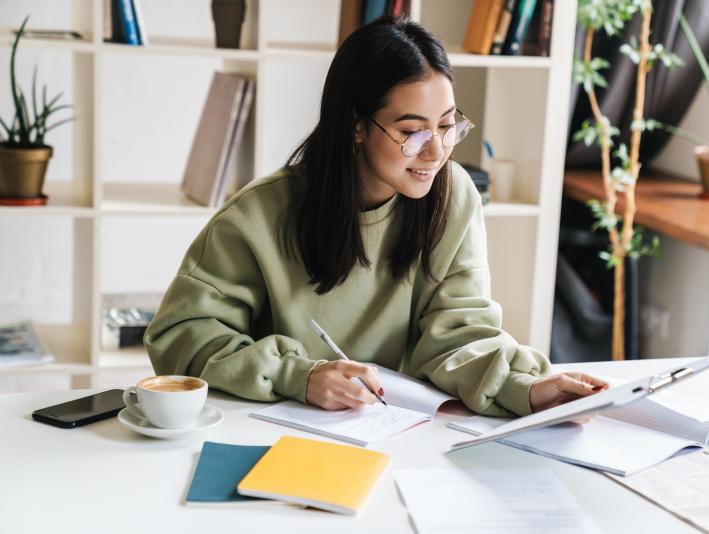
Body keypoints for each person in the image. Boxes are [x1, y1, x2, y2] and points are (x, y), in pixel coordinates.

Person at [144, 16, 608, 418]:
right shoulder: (259, 214)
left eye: (447, 126)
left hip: (395, 429)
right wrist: (297, 376)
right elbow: (180, 336)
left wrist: (525, 388)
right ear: (357, 128)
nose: (436, 152)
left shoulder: (455, 196)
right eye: (412, 132)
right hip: (274, 429)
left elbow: (459, 333)